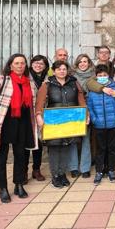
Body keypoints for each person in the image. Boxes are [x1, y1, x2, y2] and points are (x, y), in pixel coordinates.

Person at [0, 54, 38, 203]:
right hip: (5, 121)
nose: (20, 66)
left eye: (23, 63)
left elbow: (34, 101)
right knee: (2, 156)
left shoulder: (29, 81)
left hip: (23, 122)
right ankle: (2, 187)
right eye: (17, 63)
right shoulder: (2, 79)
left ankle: (19, 184)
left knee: (21, 154)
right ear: (11, 65)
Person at [35, 61, 86, 189]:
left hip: (70, 121)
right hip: (53, 122)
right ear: (54, 71)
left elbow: (81, 100)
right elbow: (40, 102)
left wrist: (86, 115)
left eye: (64, 69)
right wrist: (38, 116)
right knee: (54, 148)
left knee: (66, 147)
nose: (62, 71)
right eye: (59, 69)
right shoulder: (47, 84)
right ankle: (55, 176)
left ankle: (62, 174)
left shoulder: (74, 83)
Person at [87, 65, 115, 185]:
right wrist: (94, 119)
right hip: (98, 125)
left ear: (108, 75)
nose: (102, 77)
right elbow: (90, 106)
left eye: (104, 75)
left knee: (112, 149)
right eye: (100, 76)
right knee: (100, 149)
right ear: (96, 77)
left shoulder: (114, 87)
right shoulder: (93, 91)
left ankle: (111, 170)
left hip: (112, 124)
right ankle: (99, 171)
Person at [24, 55, 49, 184]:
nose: (38, 65)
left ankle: (36, 169)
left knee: (38, 144)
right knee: (25, 144)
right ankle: (23, 171)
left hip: (42, 114)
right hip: (27, 114)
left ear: (45, 66)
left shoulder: (48, 79)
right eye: (36, 63)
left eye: (42, 63)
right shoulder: (25, 76)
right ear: (31, 64)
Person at [68, 54, 94, 178]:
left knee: (86, 138)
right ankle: (73, 167)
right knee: (73, 138)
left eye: (85, 61)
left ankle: (85, 168)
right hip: (74, 108)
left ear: (89, 63)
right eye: (80, 62)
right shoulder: (71, 77)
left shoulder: (94, 76)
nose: (83, 64)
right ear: (77, 64)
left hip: (89, 108)